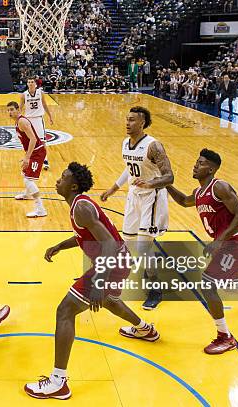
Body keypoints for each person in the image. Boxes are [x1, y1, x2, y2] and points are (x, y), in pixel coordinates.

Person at [24, 163, 159, 400]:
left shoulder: (82, 207)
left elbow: (108, 245)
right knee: (109, 302)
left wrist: (99, 281)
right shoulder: (79, 206)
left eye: (63, 177)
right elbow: (86, 236)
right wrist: (60, 246)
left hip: (112, 263)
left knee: (64, 311)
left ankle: (58, 382)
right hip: (120, 261)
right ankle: (144, 329)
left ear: (73, 186)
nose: (58, 180)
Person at [166, 149, 238, 354]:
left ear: (212, 169)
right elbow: (183, 201)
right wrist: (166, 184)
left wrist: (219, 240)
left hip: (237, 242)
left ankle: (225, 337)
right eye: (196, 161)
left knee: (207, 284)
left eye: (201, 163)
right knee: (230, 284)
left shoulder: (220, 187)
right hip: (226, 244)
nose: (196, 165)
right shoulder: (199, 193)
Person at [100, 107, 174, 310]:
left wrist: (150, 183)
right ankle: (147, 268)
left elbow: (169, 177)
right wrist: (113, 188)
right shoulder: (126, 143)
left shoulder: (154, 146)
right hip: (134, 197)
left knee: (143, 248)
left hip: (152, 197)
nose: (127, 123)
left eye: (132, 120)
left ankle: (155, 290)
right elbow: (128, 167)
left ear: (142, 122)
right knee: (129, 242)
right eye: (126, 119)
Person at [7, 101, 47, 218]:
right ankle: (28, 194)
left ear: (18, 109)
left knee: (28, 180)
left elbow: (33, 139)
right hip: (34, 152)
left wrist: (27, 157)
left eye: (12, 109)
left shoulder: (22, 122)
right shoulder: (18, 121)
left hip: (38, 152)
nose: (10, 112)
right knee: (24, 173)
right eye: (8, 110)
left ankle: (40, 209)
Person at [19, 76, 54, 170]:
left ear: (35, 84)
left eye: (32, 82)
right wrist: (17, 119)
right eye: (28, 82)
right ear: (27, 84)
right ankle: (29, 158)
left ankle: (45, 160)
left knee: (42, 141)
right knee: (30, 141)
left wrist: (50, 116)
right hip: (28, 120)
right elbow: (20, 108)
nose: (30, 83)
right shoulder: (23, 95)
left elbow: (44, 105)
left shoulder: (40, 93)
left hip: (38, 119)